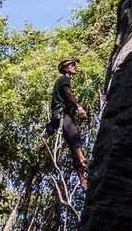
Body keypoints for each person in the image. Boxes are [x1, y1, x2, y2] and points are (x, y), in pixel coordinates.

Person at [50, 58, 89, 188]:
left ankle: (82, 179)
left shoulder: (63, 80)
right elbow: (68, 94)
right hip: (61, 114)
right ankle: (83, 161)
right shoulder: (63, 79)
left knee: (74, 145)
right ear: (66, 68)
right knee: (74, 136)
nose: (74, 67)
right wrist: (79, 107)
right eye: (72, 65)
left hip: (62, 115)